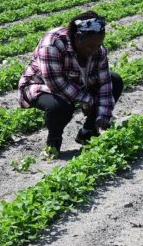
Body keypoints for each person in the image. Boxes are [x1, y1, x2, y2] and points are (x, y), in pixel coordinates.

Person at [18, 10, 123, 156]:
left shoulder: (98, 49)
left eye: (99, 44)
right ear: (78, 38)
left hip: (77, 82)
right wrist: (88, 100)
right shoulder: (52, 44)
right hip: (41, 86)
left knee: (115, 80)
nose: (96, 50)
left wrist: (103, 118)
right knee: (60, 106)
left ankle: (88, 133)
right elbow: (56, 84)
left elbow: (105, 84)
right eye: (91, 46)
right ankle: (53, 143)